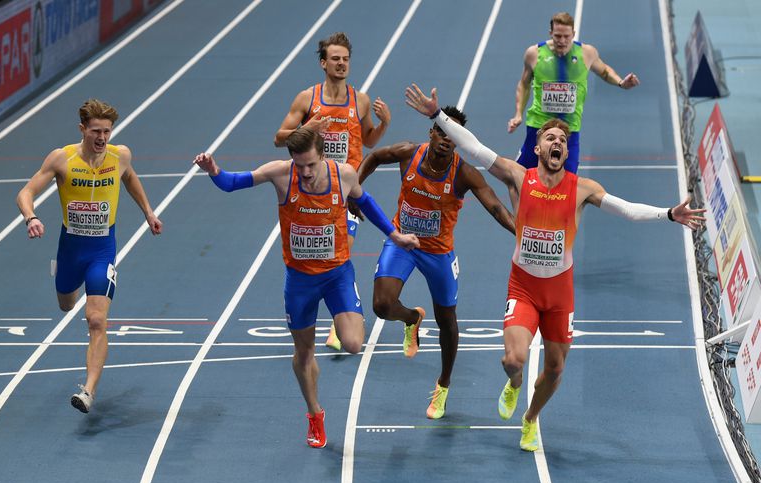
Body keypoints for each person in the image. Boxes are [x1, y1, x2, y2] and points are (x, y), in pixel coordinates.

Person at [406, 84, 704, 450]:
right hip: (524, 288)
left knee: (556, 369)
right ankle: (514, 385)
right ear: (538, 147)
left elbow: (625, 209)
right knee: (512, 360)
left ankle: (530, 418)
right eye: (550, 137)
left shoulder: (582, 189)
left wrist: (668, 214)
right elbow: (474, 148)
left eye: (562, 138)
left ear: (566, 150)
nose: (557, 141)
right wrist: (438, 116)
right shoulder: (519, 176)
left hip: (559, 293)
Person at [194, 127, 418, 449]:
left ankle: (340, 316)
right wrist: (214, 170)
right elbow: (233, 183)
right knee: (304, 353)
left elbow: (365, 202)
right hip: (300, 280)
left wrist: (394, 235)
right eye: (299, 165)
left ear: (323, 155)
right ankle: (314, 413)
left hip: (337, 274)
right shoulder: (281, 175)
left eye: (311, 165)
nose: (306, 172)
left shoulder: (344, 175)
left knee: (354, 343)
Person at [355, 106, 515, 419]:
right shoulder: (408, 154)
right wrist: (354, 189)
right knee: (382, 305)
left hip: (438, 252)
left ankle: (443, 385)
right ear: (432, 132)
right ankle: (411, 319)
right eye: (441, 131)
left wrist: (521, 233)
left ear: (459, 141)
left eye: (452, 135)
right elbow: (373, 157)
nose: (445, 139)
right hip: (402, 242)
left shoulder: (464, 172)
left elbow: (496, 207)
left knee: (447, 322)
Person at [16, 99, 163, 414]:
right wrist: (31, 217)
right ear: (82, 129)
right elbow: (25, 192)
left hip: (102, 250)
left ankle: (88, 391)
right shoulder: (62, 159)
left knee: (96, 319)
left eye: (107, 131)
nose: (102, 137)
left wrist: (149, 212)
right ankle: (65, 276)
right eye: (96, 130)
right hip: (70, 249)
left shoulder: (119, 155)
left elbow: (130, 179)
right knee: (66, 304)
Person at [274, 32, 391, 351]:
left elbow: (368, 141)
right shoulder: (307, 99)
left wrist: (383, 125)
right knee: (324, 253)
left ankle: (341, 321)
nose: (341, 64)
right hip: (310, 188)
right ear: (324, 63)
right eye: (335, 59)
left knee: (341, 249)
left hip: (342, 190)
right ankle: (337, 316)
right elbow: (279, 137)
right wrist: (308, 129)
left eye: (346, 59)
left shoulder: (360, 100)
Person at [507, 12, 640, 174]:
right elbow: (524, 84)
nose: (562, 41)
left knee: (568, 181)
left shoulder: (587, 53)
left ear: (573, 34)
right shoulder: (534, 54)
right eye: (557, 36)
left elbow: (604, 71)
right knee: (522, 176)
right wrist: (518, 114)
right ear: (550, 34)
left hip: (569, 129)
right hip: (538, 126)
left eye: (566, 36)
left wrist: (621, 82)